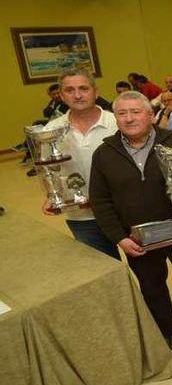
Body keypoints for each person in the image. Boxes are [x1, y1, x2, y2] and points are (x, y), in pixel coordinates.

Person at [89, 91, 172, 349]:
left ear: (150, 114)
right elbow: (100, 201)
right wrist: (119, 238)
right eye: (122, 113)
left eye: (136, 112)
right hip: (137, 239)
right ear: (116, 118)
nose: (129, 118)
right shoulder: (104, 154)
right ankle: (166, 329)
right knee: (152, 287)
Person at [44, 69, 119, 259]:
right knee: (104, 270)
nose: (77, 95)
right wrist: (52, 193)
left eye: (83, 88)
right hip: (82, 216)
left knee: (147, 272)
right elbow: (49, 168)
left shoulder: (117, 122)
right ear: (61, 95)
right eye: (69, 90)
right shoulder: (51, 131)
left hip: (123, 210)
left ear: (96, 91)